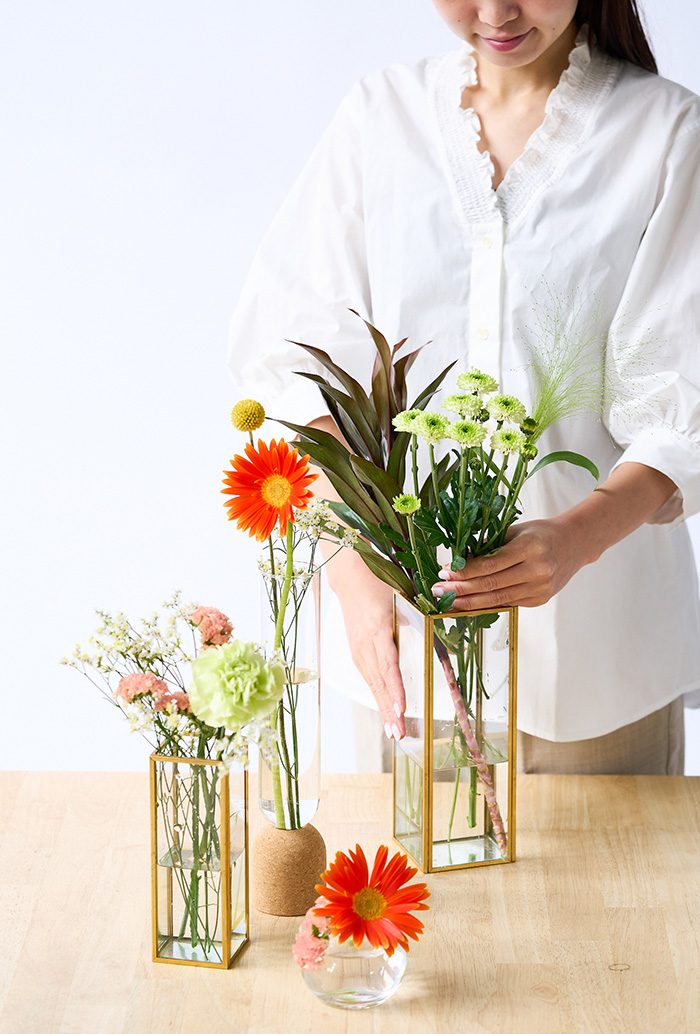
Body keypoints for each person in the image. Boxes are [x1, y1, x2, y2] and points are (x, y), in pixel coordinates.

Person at [228, 0, 700, 774]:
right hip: (407, 656)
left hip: (601, 658)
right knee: (412, 891)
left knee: (618, 892)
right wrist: (351, 565)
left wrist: (575, 539)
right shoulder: (379, 119)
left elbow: (682, 402)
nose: (495, 12)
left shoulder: (666, 135)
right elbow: (299, 353)